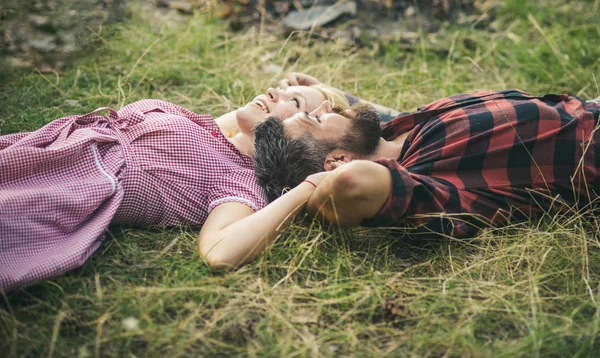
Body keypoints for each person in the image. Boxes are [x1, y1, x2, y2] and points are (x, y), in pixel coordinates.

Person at [0, 83, 349, 292]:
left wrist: (308, 186)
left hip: (69, 186)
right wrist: (290, 103)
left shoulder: (238, 180)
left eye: (298, 104)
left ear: (301, 145)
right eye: (283, 90)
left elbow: (220, 252)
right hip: (41, 150)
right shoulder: (214, 132)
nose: (274, 90)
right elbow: (242, 123)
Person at [254, 74, 600, 237]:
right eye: (316, 117)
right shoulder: (426, 180)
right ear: (339, 160)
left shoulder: (401, 130)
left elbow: (374, 117)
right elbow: (350, 184)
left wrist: (341, 99)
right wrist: (311, 190)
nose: (328, 105)